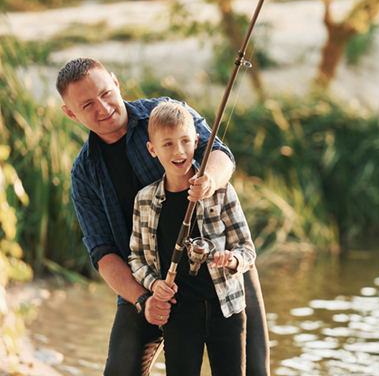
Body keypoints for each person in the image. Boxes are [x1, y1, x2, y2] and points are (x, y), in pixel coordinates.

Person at [56, 57, 270, 376]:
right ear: (71, 114)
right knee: (120, 371)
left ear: (115, 82)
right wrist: (144, 299)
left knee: (253, 370)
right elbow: (103, 252)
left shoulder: (165, 111)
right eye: (87, 104)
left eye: (104, 93)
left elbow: (220, 154)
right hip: (150, 281)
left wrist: (209, 180)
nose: (103, 108)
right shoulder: (84, 174)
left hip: (220, 268)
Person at [129, 101, 255, 375]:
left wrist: (233, 260)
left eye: (186, 141)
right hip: (180, 315)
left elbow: (247, 249)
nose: (179, 151)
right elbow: (136, 260)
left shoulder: (221, 191)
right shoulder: (144, 200)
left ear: (197, 141)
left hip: (227, 310)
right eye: (168, 144)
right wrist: (154, 284)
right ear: (152, 149)